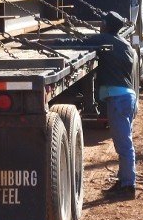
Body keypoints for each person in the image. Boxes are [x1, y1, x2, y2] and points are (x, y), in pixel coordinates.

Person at [55, 11, 138, 200]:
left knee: (124, 145)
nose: (100, 25)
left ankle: (128, 186)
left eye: (102, 23)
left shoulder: (105, 40)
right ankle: (124, 180)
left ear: (106, 26)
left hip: (117, 100)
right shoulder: (125, 45)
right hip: (128, 98)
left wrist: (53, 44)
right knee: (125, 142)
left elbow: (80, 43)